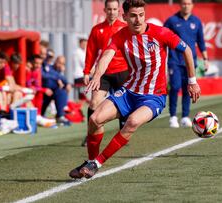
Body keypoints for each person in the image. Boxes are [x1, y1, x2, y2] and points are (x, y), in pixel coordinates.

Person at [69, 0, 201, 179]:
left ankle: (97, 162)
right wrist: (98, 75)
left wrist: (192, 81)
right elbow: (106, 56)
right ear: (124, 17)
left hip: (154, 97)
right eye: (133, 16)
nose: (138, 20)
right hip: (129, 91)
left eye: (141, 15)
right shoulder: (120, 36)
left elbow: (186, 50)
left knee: (131, 122)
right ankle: (91, 162)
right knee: (94, 119)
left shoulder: (160, 33)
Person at [80, 0, 129, 147]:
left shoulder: (125, 28)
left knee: (124, 104)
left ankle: (123, 132)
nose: (112, 12)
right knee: (94, 102)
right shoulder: (97, 30)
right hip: (103, 74)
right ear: (104, 10)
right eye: (109, 9)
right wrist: (87, 72)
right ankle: (91, 134)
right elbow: (91, 52)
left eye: (114, 9)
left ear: (119, 10)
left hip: (123, 71)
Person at [164, 0, 209, 128]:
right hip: (175, 60)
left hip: (190, 61)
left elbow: (201, 41)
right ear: (180, 5)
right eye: (184, 3)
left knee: (188, 89)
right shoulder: (171, 20)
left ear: (192, 5)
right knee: (175, 86)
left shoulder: (196, 21)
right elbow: (162, 37)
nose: (186, 6)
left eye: (188, 3)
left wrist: (205, 59)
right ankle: (173, 116)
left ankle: (185, 116)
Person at [41, 56, 71, 126]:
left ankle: (60, 115)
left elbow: (62, 80)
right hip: (43, 93)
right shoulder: (48, 67)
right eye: (59, 63)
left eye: (63, 64)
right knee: (59, 89)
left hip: (50, 94)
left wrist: (67, 83)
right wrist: (59, 78)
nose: (60, 65)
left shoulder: (58, 72)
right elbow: (46, 76)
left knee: (61, 90)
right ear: (55, 61)